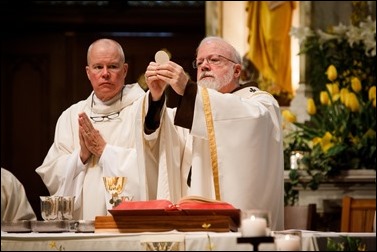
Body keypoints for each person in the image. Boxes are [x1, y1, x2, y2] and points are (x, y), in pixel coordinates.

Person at [143, 36, 284, 230]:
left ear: (237, 71)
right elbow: (162, 135)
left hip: (242, 230)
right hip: (193, 223)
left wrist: (188, 89)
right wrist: (157, 97)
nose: (204, 66)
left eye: (214, 60)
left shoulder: (261, 103)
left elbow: (250, 121)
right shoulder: (194, 109)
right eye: (199, 62)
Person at [36, 38, 155, 220]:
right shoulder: (71, 116)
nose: (105, 74)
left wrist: (105, 152)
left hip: (128, 225)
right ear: (88, 72)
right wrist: (81, 157)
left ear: (124, 71)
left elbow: (154, 165)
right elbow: (52, 171)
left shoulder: (145, 110)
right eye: (98, 67)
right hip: (82, 220)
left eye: (113, 67)